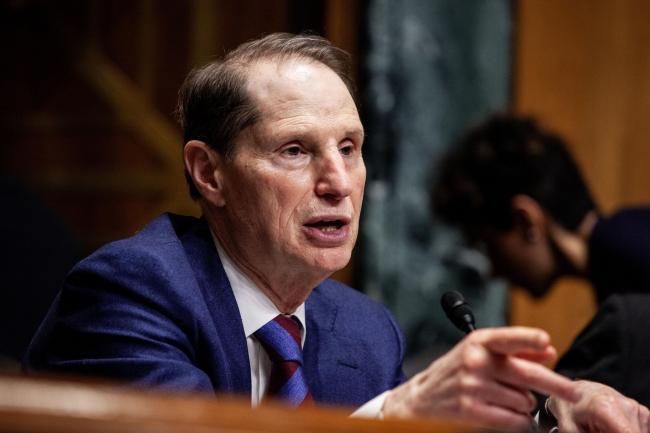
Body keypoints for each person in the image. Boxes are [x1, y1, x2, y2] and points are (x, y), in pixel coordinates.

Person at [24, 33, 644, 432]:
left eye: (350, 148)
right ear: (209, 173)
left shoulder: (364, 330)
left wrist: (543, 419)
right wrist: (397, 414)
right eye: (295, 150)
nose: (338, 182)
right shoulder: (131, 291)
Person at [432, 114, 650, 416]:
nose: (494, 270)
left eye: (489, 245)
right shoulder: (630, 239)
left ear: (526, 221)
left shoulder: (632, 285)